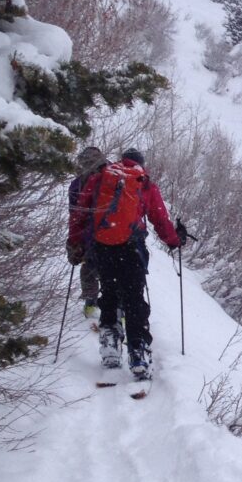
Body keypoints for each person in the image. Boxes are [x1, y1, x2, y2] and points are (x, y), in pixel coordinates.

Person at [68, 147, 180, 380]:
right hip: (132, 249)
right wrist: (174, 241)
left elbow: (80, 213)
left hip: (103, 247)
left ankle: (110, 342)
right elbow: (159, 217)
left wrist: (75, 243)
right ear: (140, 163)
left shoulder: (101, 178)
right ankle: (138, 352)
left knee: (109, 292)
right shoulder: (144, 182)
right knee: (134, 298)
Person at [65, 145, 109, 322]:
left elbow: (75, 214)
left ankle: (91, 304)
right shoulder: (114, 177)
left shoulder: (77, 184)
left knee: (89, 267)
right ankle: (116, 308)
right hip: (114, 232)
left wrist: (74, 241)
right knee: (111, 270)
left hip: (89, 233)